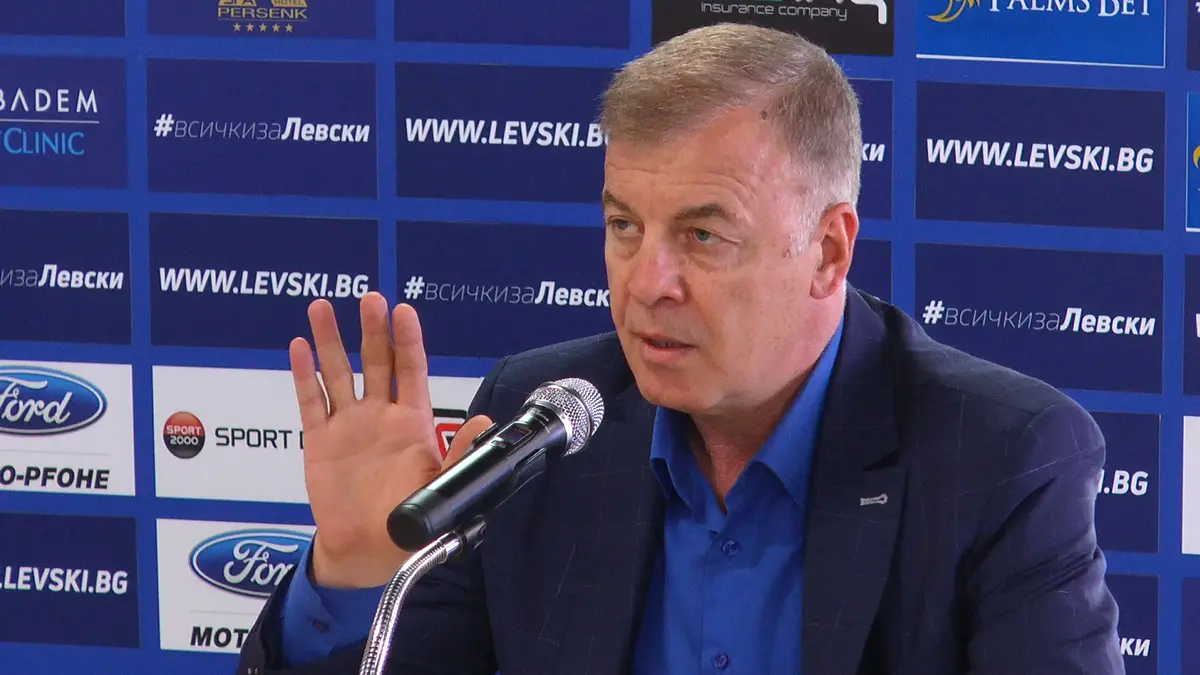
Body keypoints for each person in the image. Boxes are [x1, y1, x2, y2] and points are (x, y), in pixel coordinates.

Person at [237, 22, 1124, 675]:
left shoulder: (999, 458)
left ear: (828, 250)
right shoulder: (538, 424)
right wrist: (355, 572)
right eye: (624, 226)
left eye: (702, 236)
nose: (646, 282)